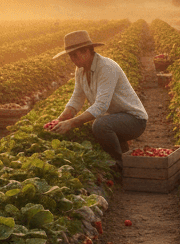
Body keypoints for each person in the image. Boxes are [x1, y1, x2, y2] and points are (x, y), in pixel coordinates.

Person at [52, 30, 147, 162]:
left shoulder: (106, 67)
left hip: (134, 121)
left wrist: (72, 123)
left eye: (75, 55)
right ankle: (125, 158)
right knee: (98, 124)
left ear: (86, 51)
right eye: (70, 56)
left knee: (100, 125)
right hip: (113, 119)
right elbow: (77, 98)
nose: (72, 59)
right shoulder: (80, 70)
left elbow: (101, 105)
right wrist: (61, 119)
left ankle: (118, 164)